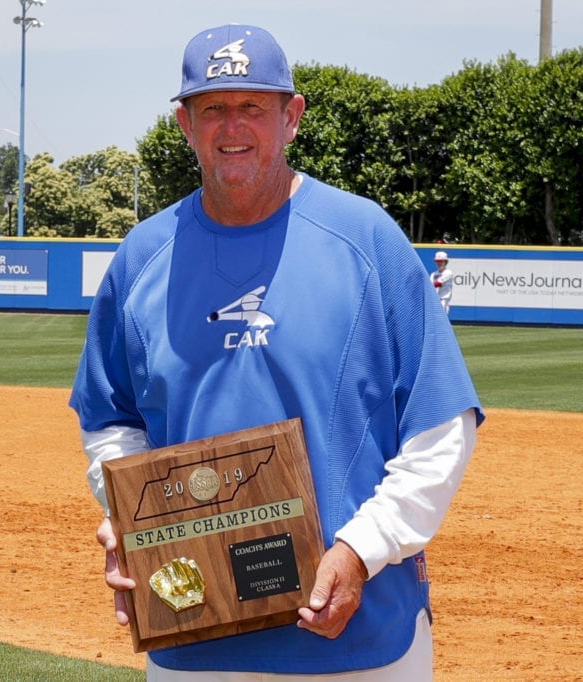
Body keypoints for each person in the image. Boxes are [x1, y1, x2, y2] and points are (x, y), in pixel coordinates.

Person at [68, 23, 484, 680]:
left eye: (252, 107)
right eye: (213, 109)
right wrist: (131, 513)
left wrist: (362, 548)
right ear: (184, 122)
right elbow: (108, 420)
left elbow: (441, 425)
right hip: (193, 637)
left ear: (291, 116)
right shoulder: (143, 257)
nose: (233, 127)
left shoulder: (365, 240)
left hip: (358, 640)